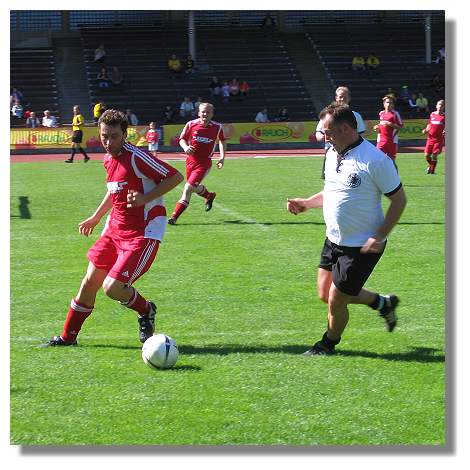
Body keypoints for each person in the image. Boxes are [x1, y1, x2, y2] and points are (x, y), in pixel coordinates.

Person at [45, 109, 183, 346]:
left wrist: (144, 198)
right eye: (104, 136)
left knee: (113, 287)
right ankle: (68, 338)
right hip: (114, 229)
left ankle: (146, 310)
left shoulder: (137, 157)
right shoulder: (108, 159)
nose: (108, 142)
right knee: (89, 283)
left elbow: (175, 176)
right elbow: (114, 191)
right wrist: (96, 217)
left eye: (114, 136)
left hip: (143, 233)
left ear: (125, 134)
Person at [287, 103, 407, 356]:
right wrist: (307, 203)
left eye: (327, 131)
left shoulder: (375, 160)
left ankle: (327, 344)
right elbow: (333, 191)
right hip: (333, 239)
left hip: (362, 245)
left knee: (336, 300)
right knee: (324, 294)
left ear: (345, 128)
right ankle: (382, 303)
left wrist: (379, 236)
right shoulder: (332, 153)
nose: (324, 136)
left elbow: (399, 200)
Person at [168, 102, 227, 225]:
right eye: (203, 111)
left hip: (204, 163)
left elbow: (222, 140)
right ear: (199, 113)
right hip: (190, 161)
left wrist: (222, 157)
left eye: (208, 112)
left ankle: (174, 218)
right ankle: (209, 196)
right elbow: (182, 139)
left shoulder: (217, 127)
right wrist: (185, 147)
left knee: (188, 188)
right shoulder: (191, 124)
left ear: (212, 114)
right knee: (193, 187)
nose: (205, 114)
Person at [315, 86, 366, 179]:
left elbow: (361, 135)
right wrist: (322, 137)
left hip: (352, 154)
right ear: (336, 98)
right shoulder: (328, 115)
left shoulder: (356, 115)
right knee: (330, 182)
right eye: (340, 96)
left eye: (345, 97)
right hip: (331, 153)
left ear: (349, 99)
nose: (342, 99)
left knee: (349, 181)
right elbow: (318, 133)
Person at [373, 95, 403, 164]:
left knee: (392, 161)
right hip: (381, 140)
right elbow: (381, 124)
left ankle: (395, 175)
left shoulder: (395, 114)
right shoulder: (381, 113)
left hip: (392, 140)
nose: (388, 104)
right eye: (387, 102)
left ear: (393, 105)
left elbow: (401, 127)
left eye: (390, 103)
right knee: (378, 159)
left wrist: (390, 124)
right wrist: (376, 127)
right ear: (384, 104)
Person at [422, 99, 445, 174]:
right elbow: (429, 124)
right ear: (436, 106)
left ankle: (432, 171)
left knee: (434, 155)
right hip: (430, 138)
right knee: (427, 155)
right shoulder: (432, 114)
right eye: (439, 104)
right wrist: (425, 130)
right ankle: (430, 166)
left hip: (439, 139)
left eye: (442, 105)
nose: (440, 106)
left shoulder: (445, 116)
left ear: (444, 107)